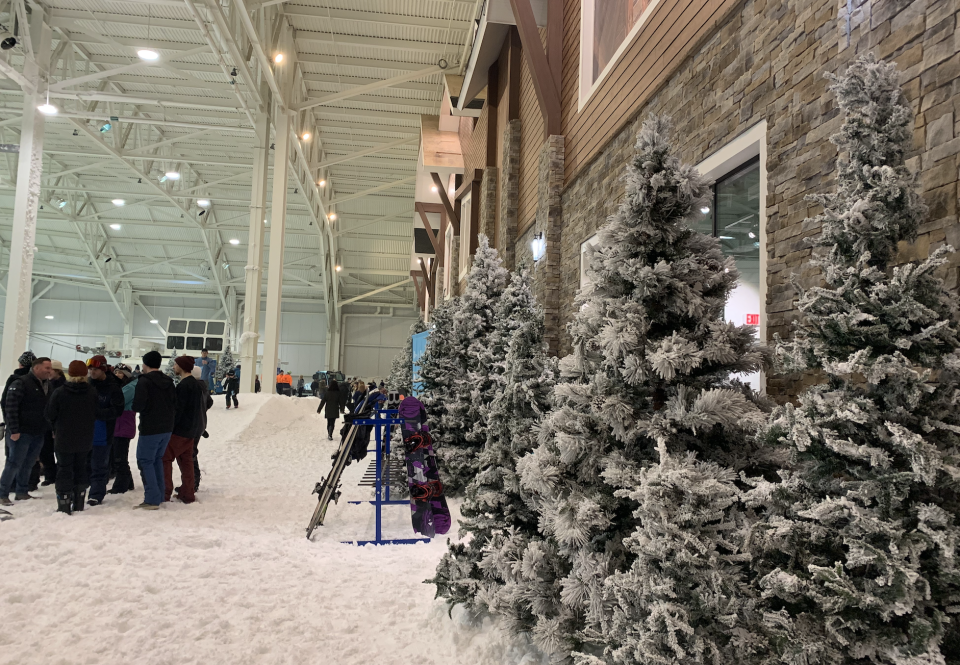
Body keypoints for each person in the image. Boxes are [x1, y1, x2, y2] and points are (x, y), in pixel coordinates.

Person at [45, 361, 99, 515]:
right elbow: (95, 412)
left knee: (64, 469)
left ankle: (64, 503)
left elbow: (49, 414)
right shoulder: (92, 392)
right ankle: (79, 502)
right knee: (81, 467)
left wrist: (56, 426)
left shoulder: (60, 392)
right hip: (85, 438)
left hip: (64, 437)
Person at [0, 357, 52, 506]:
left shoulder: (47, 385)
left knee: (29, 463)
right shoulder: (21, 383)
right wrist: (14, 429)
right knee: (14, 463)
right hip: (21, 432)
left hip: (38, 431)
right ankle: (2, 493)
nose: (50, 371)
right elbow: (10, 407)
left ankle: (22, 491)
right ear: (36, 368)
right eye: (47, 368)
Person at [132, 351, 177, 510]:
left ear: (145, 364)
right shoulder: (169, 381)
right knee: (157, 459)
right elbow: (174, 403)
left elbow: (138, 405)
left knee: (145, 460)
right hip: (167, 427)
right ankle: (160, 494)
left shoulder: (144, 381)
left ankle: (152, 498)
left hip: (150, 427)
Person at [164, 356, 209, 504]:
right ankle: (188, 493)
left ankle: (165, 492)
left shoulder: (184, 386)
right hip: (192, 430)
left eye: (176, 365)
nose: (174, 367)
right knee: (186, 462)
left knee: (165, 458)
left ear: (182, 367)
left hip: (180, 431)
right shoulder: (196, 385)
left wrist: (171, 426)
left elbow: (179, 410)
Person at [87, 355, 124, 506]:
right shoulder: (88, 385)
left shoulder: (113, 388)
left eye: (95, 369)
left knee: (99, 465)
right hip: (86, 432)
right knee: (85, 464)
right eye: (90, 369)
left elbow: (117, 410)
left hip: (103, 433)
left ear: (102, 370)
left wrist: (96, 413)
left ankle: (96, 493)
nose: (92, 372)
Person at [108, 364, 137, 494]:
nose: (117, 375)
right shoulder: (124, 386)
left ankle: (121, 485)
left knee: (120, 457)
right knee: (119, 455)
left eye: (120, 372)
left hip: (123, 423)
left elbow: (118, 400)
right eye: (116, 372)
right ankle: (128, 482)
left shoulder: (129, 387)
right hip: (120, 424)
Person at [38, 361, 66, 487]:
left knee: (60, 452)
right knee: (46, 451)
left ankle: (59, 474)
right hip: (47, 424)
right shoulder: (46, 384)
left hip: (59, 424)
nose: (49, 372)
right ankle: (50, 475)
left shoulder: (63, 386)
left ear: (58, 371)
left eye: (51, 370)